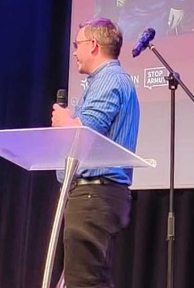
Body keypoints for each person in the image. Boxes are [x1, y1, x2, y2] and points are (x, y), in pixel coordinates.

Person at [51, 18, 140, 288]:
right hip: (96, 194)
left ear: (93, 45)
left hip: (95, 193)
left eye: (77, 45)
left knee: (85, 282)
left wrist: (65, 121)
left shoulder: (109, 80)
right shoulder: (108, 81)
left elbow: (84, 133)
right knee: (86, 279)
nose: (74, 52)